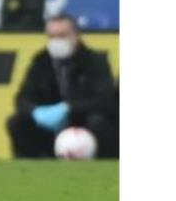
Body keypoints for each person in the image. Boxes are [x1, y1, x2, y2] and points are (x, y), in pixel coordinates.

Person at [8, 14, 117, 158]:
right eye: (52, 36)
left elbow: (105, 100)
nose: (57, 41)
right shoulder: (41, 62)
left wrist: (68, 108)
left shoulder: (95, 61)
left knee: (99, 122)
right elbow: (23, 98)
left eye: (62, 35)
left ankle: (103, 165)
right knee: (17, 122)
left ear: (76, 35)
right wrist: (35, 111)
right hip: (51, 126)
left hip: (84, 121)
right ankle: (31, 167)